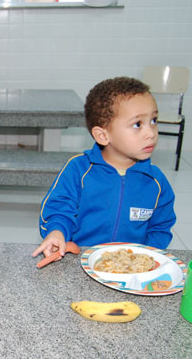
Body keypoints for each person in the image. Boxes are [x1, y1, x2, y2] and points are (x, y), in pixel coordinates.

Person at [32, 76, 176, 259]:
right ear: (102, 135)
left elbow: (161, 227)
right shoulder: (78, 170)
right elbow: (59, 209)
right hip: (78, 262)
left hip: (129, 269)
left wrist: (144, 256)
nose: (151, 133)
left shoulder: (156, 182)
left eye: (154, 121)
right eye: (137, 124)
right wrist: (57, 232)